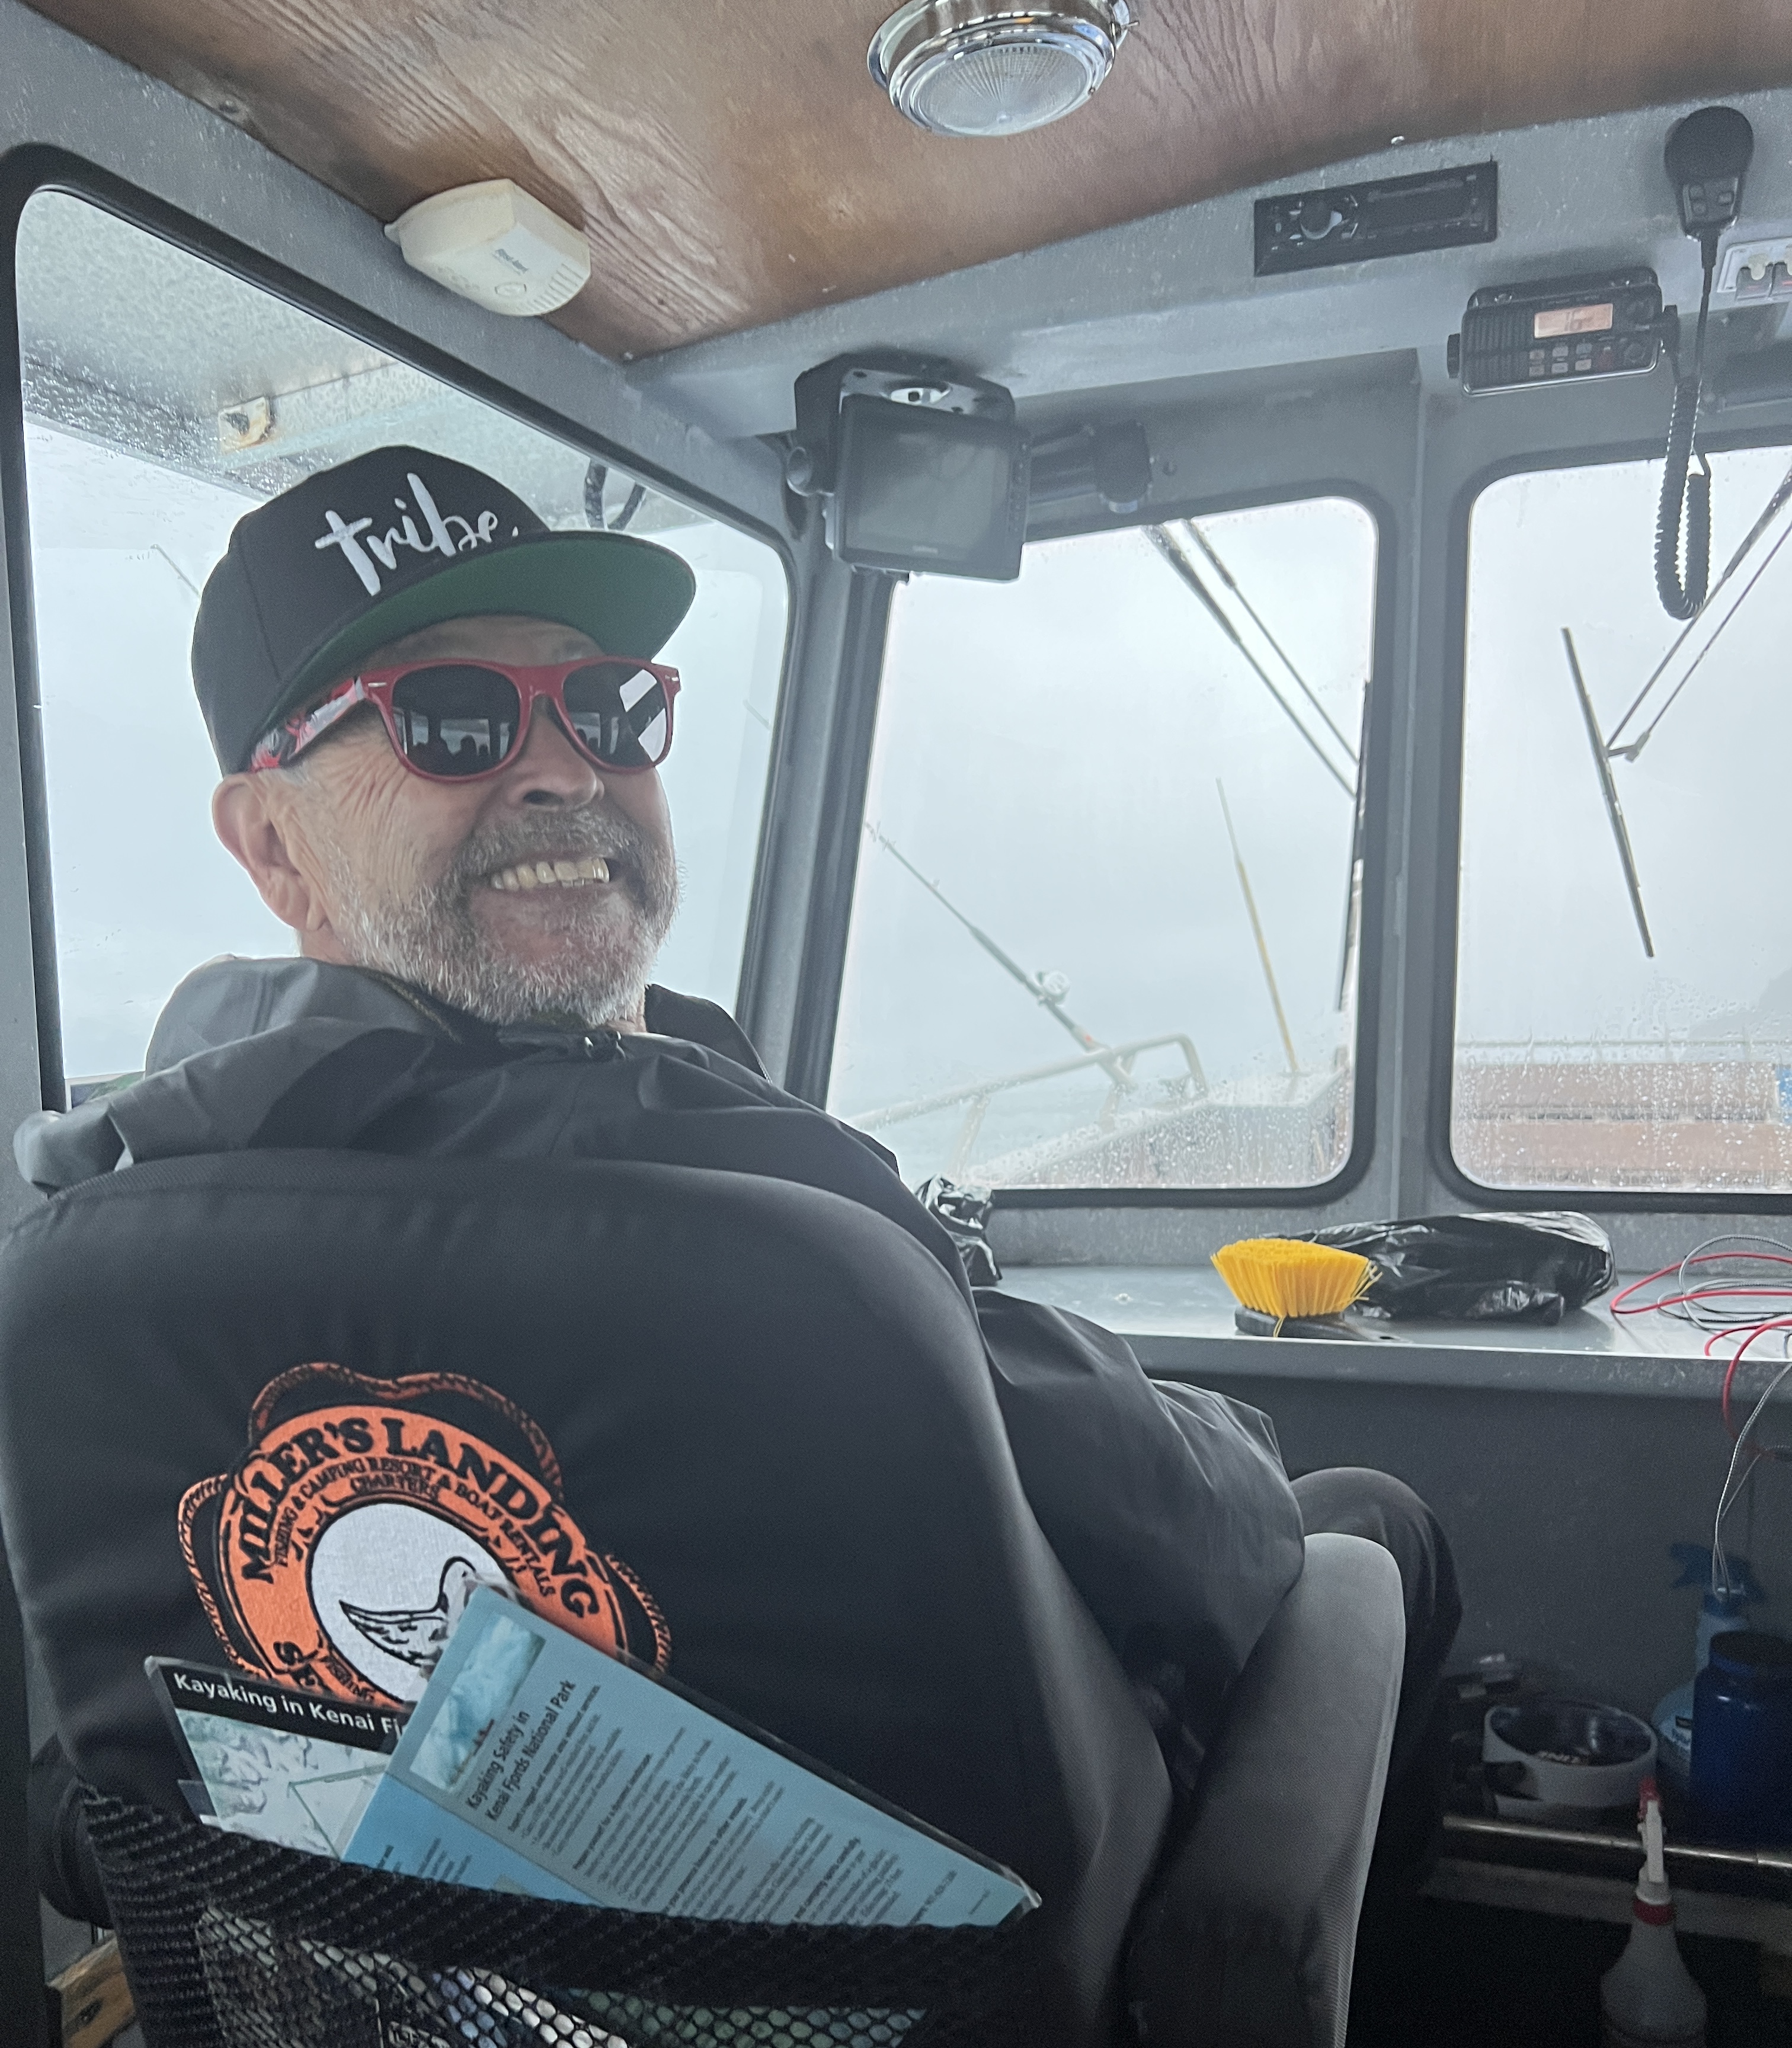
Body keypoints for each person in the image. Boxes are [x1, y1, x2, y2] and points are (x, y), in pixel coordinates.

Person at [14, 446, 1458, 1922]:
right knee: (1366, 1522)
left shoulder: (97, 1247)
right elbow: (1203, 1541)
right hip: (955, 2028)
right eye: (452, 720)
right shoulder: (758, 1211)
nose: (568, 769)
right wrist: (1230, 1438)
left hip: (381, 2044)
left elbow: (94, 1810)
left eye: (608, 705)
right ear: (273, 843)